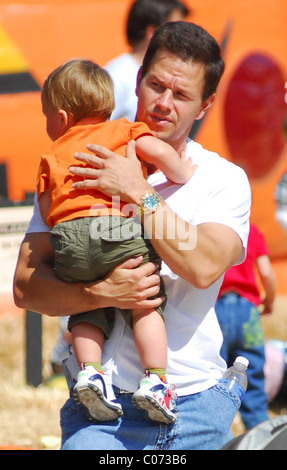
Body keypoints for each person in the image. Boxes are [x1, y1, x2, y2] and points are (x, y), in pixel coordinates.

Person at [14, 22, 251, 450]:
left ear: (205, 105)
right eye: (156, 85)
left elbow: (202, 267)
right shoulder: (81, 161)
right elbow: (26, 287)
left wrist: (138, 191)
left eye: (181, 95)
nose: (163, 103)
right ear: (138, 80)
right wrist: (100, 292)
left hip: (193, 404)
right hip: (100, 413)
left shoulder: (223, 179)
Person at [37, 58, 194, 424]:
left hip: (68, 239)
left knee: (86, 310)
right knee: (143, 303)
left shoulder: (51, 152)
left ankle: (90, 372)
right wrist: (181, 171)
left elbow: (46, 209)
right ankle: (156, 380)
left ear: (60, 117)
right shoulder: (123, 129)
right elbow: (157, 152)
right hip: (113, 229)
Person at [215, 223, 276, 430]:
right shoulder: (252, 229)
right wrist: (269, 301)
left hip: (216, 309)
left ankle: (215, 427)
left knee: (214, 373)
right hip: (248, 312)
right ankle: (260, 433)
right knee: (253, 375)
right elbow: (266, 273)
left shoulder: (209, 224)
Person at [105, 0, 190, 121]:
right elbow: (93, 130)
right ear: (153, 32)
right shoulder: (118, 75)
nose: (185, 39)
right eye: (177, 31)